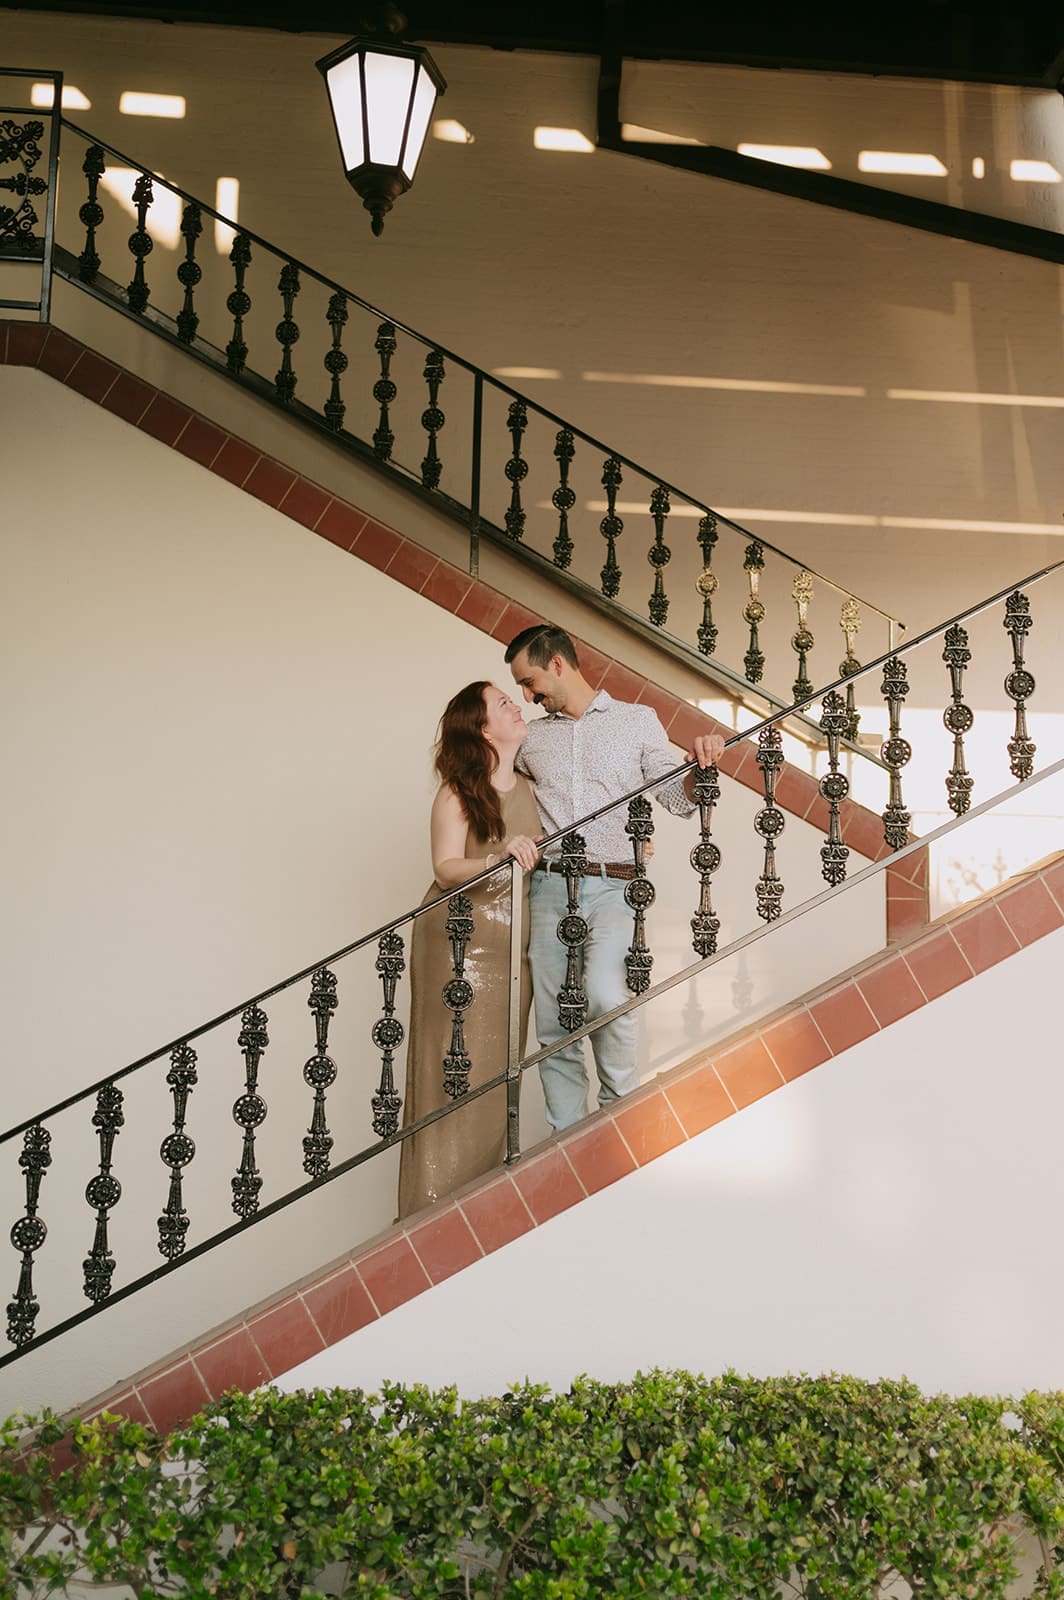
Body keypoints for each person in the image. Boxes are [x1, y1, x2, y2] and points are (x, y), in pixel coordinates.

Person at [505, 624, 726, 1132]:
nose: (526, 695)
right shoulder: (531, 737)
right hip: (550, 886)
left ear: (558, 664)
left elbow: (676, 799)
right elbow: (493, 789)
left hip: (616, 886)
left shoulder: (637, 721)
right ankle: (566, 1139)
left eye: (529, 680)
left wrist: (701, 765)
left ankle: (618, 1120)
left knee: (607, 995)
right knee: (555, 1025)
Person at [397, 681, 541, 1219]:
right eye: (504, 703)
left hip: (514, 951)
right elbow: (444, 866)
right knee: (448, 1072)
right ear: (482, 729)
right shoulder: (458, 791)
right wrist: (497, 857)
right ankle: (429, 1210)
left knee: (498, 1070)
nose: (516, 706)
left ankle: (478, 1208)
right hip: (458, 947)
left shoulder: (532, 786)